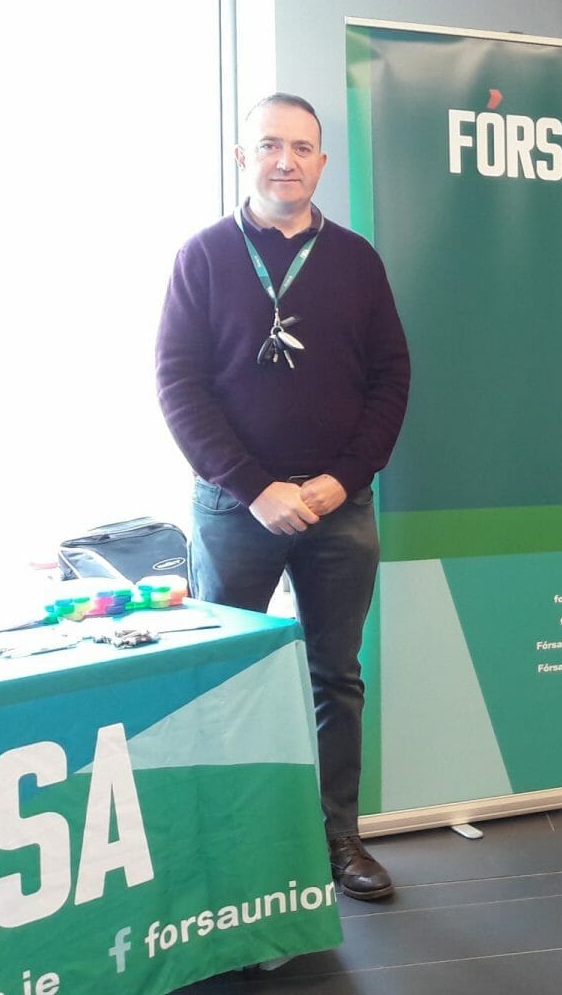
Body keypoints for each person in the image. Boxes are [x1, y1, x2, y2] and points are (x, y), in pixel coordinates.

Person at [157, 93, 412, 899]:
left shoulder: (357, 261)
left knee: (336, 678)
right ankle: (221, 851)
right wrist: (255, 488)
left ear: (321, 163)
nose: (286, 161)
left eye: (302, 148)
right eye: (270, 145)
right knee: (220, 679)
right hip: (236, 511)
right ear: (244, 157)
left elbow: (391, 378)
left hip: (340, 507)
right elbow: (178, 386)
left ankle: (340, 839)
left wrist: (346, 477)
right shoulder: (203, 256)